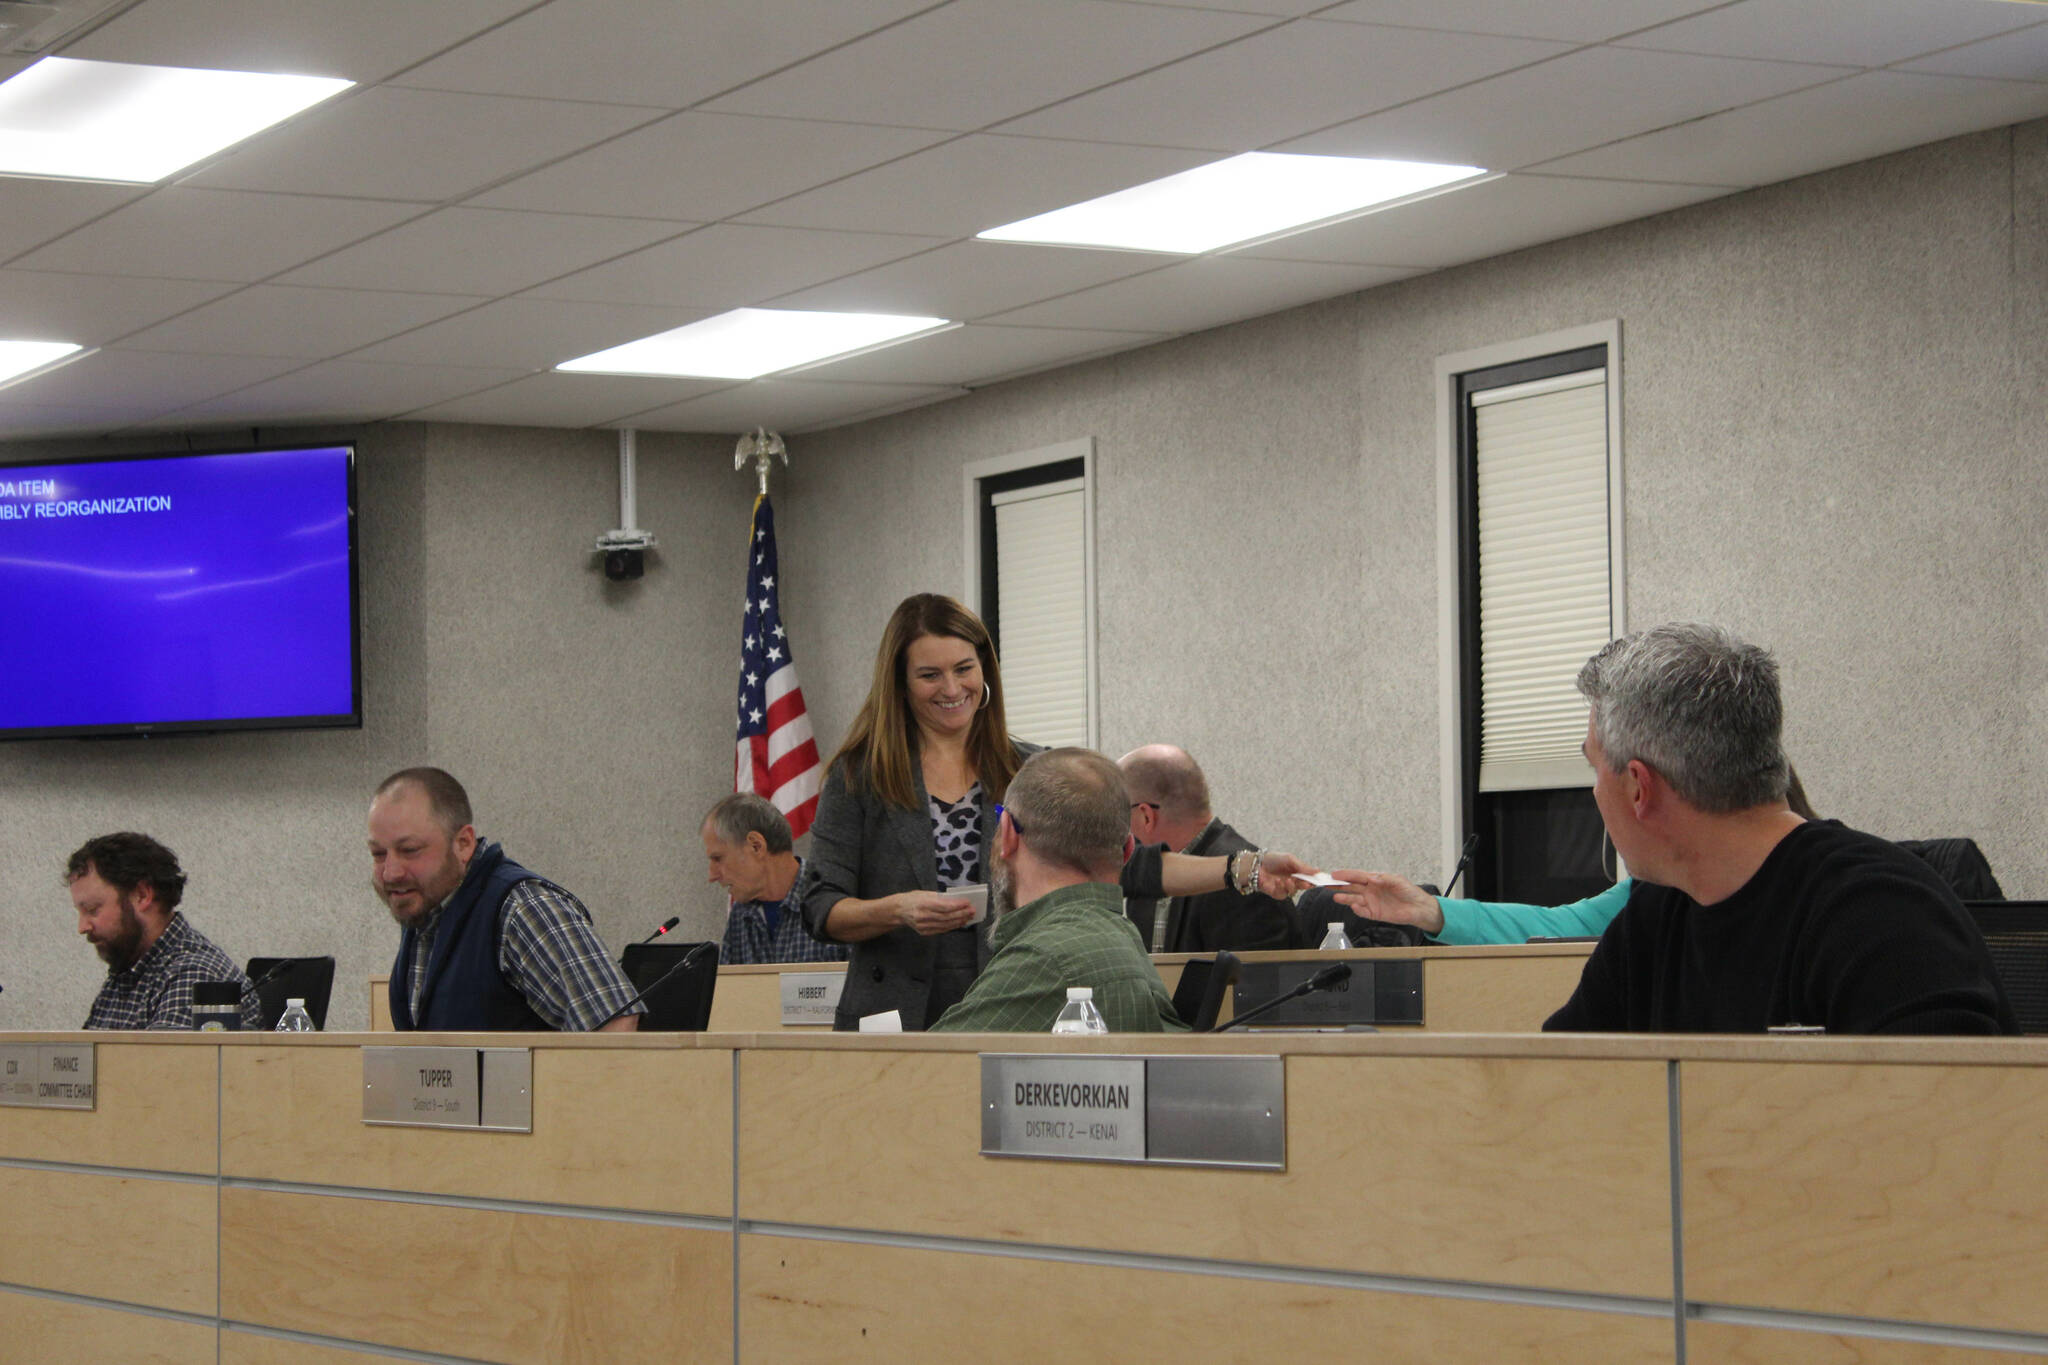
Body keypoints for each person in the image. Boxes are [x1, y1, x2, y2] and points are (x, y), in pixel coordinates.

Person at [803, 593, 1312, 1031]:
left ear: (986, 670)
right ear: (900, 682)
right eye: (930, 675)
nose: (952, 689)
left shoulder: (1030, 767)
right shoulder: (858, 776)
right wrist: (897, 910)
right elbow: (820, 906)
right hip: (891, 1012)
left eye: (964, 669)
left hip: (1013, 995)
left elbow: (1127, 864)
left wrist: (1241, 869)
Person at [1542, 623, 2016, 1035]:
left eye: (1595, 769)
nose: (1594, 794)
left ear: (1639, 787)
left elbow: (1949, 1125)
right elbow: (1555, 1088)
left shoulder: (1883, 919)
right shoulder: (1656, 915)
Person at [369, 767, 642, 1032]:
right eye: (378, 854)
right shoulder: (425, 912)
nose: (390, 872)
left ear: (463, 843)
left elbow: (614, 1026)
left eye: (410, 850)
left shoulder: (524, 910)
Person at [933, 748, 1185, 1033]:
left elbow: (917, 1070)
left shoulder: (1044, 959)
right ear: (1127, 850)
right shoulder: (1123, 938)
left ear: (1008, 834)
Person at [70, 832, 260, 1030]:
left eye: (92, 910)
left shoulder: (195, 976)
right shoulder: (128, 972)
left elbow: (164, 1061)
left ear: (142, 896)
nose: (82, 927)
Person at [1118, 744, 1297, 954]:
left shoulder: (1249, 886)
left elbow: (1247, 985)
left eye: (1117, 815)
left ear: (1146, 816)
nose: (1115, 829)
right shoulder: (1143, 878)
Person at [702, 792, 847, 966]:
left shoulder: (834, 897)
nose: (712, 876)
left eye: (718, 858)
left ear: (756, 846)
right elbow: (730, 991)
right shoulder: (741, 914)